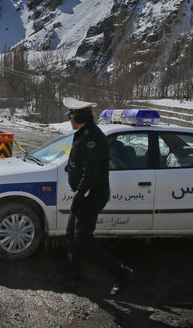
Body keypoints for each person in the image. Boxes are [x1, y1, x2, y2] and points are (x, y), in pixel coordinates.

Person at [51, 97, 134, 296]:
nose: (69, 119)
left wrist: (80, 194)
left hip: (91, 195)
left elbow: (91, 171)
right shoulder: (83, 134)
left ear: (79, 116)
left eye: (71, 116)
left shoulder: (91, 138)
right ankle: (72, 274)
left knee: (83, 239)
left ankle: (122, 273)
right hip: (84, 194)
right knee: (71, 235)